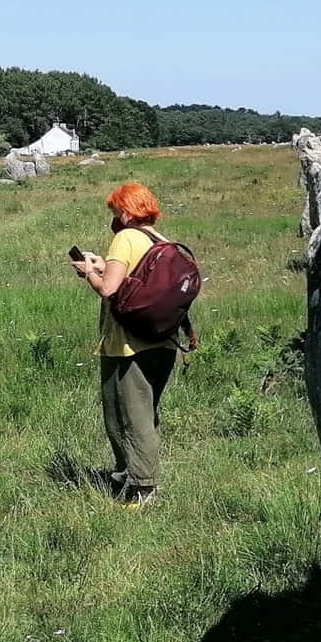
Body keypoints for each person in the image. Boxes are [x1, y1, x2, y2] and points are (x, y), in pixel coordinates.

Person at [71, 182, 186, 504]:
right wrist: (102, 265)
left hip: (128, 345)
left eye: (115, 211)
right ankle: (132, 478)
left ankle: (141, 488)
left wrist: (88, 273)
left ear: (125, 211)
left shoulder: (124, 238)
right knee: (145, 415)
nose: (114, 218)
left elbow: (108, 289)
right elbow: (134, 279)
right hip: (162, 340)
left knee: (127, 418)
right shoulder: (160, 239)